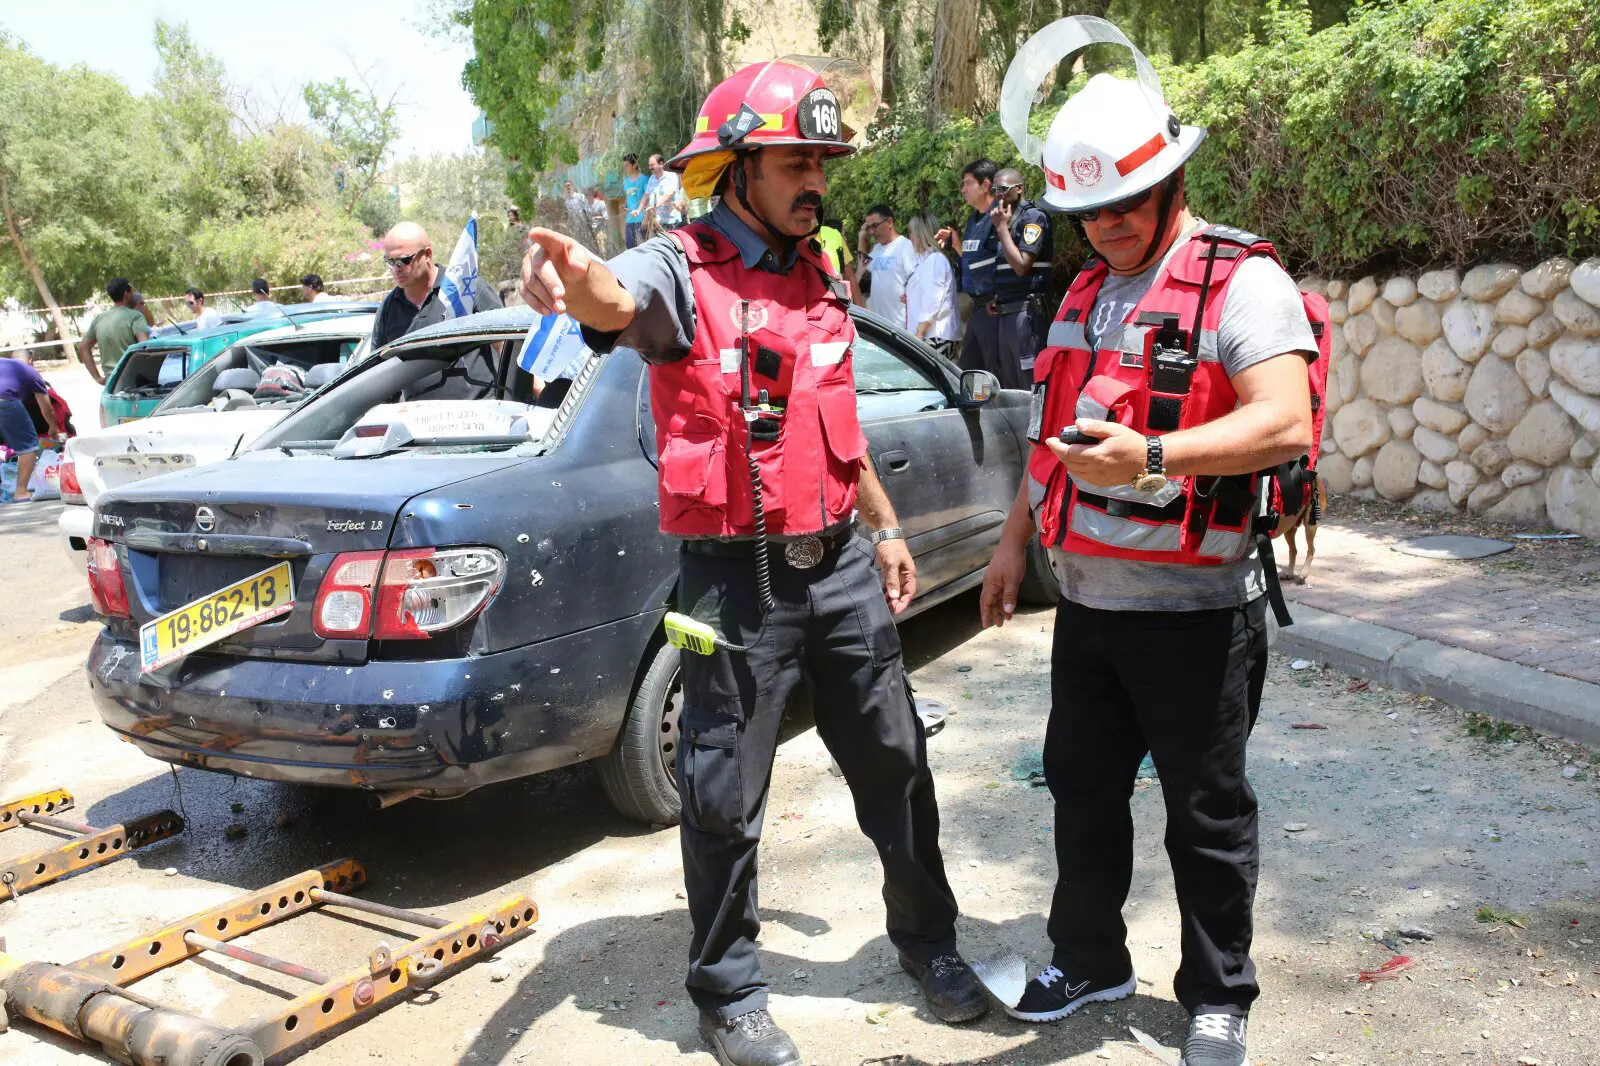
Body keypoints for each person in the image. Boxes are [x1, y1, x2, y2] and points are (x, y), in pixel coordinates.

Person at [517, 57, 986, 1066]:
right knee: (722, 789)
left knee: (898, 763)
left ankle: (929, 943)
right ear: (735, 168)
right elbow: (609, 297)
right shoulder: (676, 271)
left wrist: (889, 528)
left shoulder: (818, 269)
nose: (816, 175)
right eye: (793, 159)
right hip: (736, 580)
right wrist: (576, 283)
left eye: (822, 158)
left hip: (842, 563)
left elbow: (835, 429)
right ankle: (726, 990)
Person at [979, 48, 1317, 1066]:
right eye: (1090, 213)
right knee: (1080, 792)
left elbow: (1286, 422)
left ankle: (1218, 993)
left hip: (1196, 615)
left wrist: (1157, 453)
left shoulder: (1242, 280)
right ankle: (1087, 956)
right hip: (1087, 607)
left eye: (1126, 204)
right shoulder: (1081, 294)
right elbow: (1050, 438)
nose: (1109, 225)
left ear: (1170, 180)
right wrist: (1008, 547)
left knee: (1203, 814)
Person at [370, 221, 502, 350]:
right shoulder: (388, 308)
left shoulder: (467, 288)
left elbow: (503, 344)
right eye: (389, 261)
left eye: (404, 260)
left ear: (427, 254)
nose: (396, 268)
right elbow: (377, 364)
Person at [938, 159, 1005, 382]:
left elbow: (1006, 262)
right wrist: (957, 244)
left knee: (994, 372)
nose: (963, 189)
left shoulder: (1001, 216)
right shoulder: (973, 220)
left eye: (968, 183)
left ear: (985, 185)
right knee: (968, 370)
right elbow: (975, 262)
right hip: (977, 308)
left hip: (994, 309)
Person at [988, 167, 1054, 387]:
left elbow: (1022, 266)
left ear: (1020, 188)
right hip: (1007, 312)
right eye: (996, 190)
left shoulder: (1033, 217)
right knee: (1010, 382)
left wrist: (1002, 229)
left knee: (1029, 383)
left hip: (1027, 314)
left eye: (1004, 189)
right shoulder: (1007, 220)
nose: (999, 195)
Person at [0, 354, 62, 502]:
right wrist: (53, 428)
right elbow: (47, 408)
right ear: (31, 361)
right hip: (5, 401)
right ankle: (20, 492)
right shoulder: (30, 371)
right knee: (28, 448)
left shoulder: (5, 363)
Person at [903, 213, 959, 356]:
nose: (911, 238)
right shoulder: (927, 261)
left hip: (933, 336)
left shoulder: (935, 260)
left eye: (912, 233)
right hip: (929, 335)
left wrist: (919, 333)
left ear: (920, 234)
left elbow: (932, 301)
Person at [78, 278, 149, 384]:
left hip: (111, 383)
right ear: (126, 294)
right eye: (132, 292)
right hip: (134, 380)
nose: (135, 295)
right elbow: (146, 346)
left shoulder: (99, 319)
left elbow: (83, 347)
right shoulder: (136, 316)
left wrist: (97, 378)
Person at [855, 204, 917, 327]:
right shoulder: (877, 249)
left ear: (889, 222)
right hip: (878, 325)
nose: (872, 232)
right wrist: (862, 236)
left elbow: (917, 282)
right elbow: (862, 264)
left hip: (900, 326)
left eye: (875, 226)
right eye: (869, 227)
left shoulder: (906, 247)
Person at [813, 217, 854, 300]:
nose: (845, 238)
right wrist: (861, 308)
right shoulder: (834, 235)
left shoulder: (789, 232)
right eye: (844, 235)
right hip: (834, 296)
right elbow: (850, 276)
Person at [644, 151, 686, 231]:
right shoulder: (651, 178)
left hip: (672, 221)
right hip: (658, 221)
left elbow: (670, 193)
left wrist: (656, 205)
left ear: (661, 163)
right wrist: (641, 210)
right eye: (649, 165)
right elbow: (647, 195)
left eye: (652, 165)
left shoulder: (671, 176)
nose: (650, 167)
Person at [622, 154, 650, 248]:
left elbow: (648, 197)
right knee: (630, 248)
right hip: (629, 220)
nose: (625, 168)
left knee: (642, 248)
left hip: (640, 219)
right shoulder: (626, 181)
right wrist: (624, 205)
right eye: (624, 166)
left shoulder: (644, 179)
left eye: (627, 165)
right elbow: (628, 197)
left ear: (634, 165)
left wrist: (646, 218)